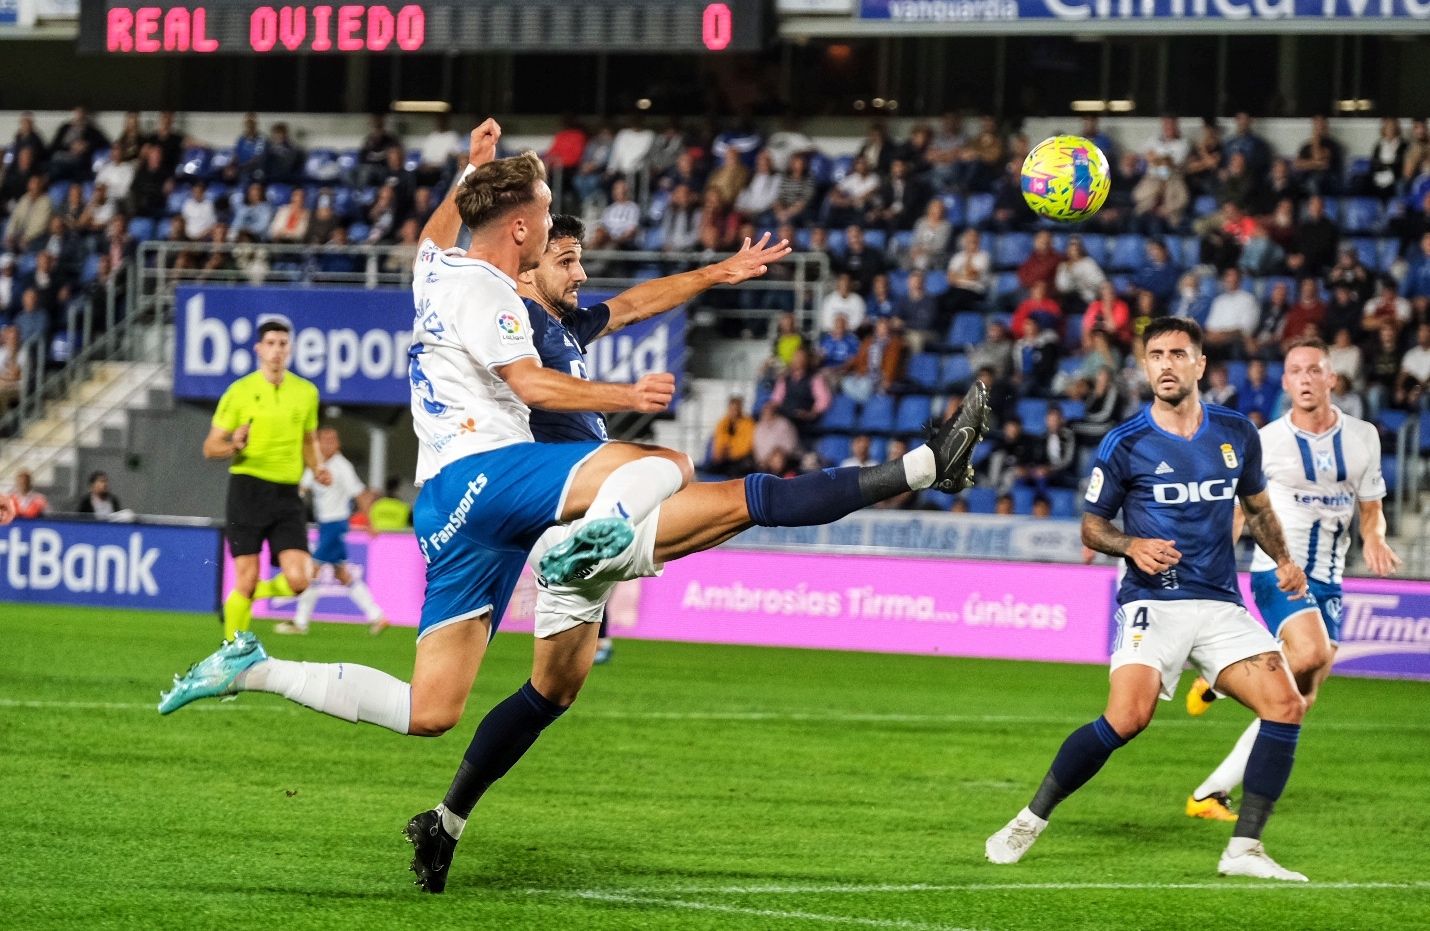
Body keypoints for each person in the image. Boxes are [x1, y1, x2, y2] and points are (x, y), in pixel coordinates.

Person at [158, 119, 696, 883]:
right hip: (491, 476)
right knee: (660, 462)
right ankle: (605, 534)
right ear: (520, 223)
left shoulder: (435, 271)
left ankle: (254, 666)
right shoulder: (488, 292)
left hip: (447, 500)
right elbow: (533, 385)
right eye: (546, 209)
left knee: (431, 710)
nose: (552, 221)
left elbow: (436, 234)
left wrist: (467, 171)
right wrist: (626, 393)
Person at [422, 209, 989, 895]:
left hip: (590, 520)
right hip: (568, 517)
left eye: (578, 258)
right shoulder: (508, 314)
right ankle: (927, 465)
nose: (580, 271)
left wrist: (720, 271)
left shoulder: (565, 326)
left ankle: (444, 821)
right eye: (566, 258)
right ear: (528, 262)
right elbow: (472, 282)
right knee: (749, 497)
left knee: (550, 692)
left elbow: (634, 303)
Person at [985, 316, 1312, 882]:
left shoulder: (1236, 431)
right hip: (1151, 603)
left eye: (1178, 354)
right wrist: (1131, 544)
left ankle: (1244, 850)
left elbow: (1257, 508)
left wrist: (1284, 559)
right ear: (1144, 365)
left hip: (1218, 603)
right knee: (1126, 718)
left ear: (1200, 365)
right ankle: (1029, 819)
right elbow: (1092, 527)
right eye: (1156, 354)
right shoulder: (1125, 442)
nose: (1166, 363)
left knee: (1286, 706)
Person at [1181, 337, 1400, 822]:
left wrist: (1377, 539)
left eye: (1314, 369)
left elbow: (1371, 512)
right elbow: (1243, 511)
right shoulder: (1267, 441)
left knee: (1296, 701)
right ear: (1285, 382)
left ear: (1331, 379)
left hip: (1331, 580)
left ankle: (1209, 793)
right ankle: (1223, 674)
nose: (1305, 378)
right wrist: (1213, 562)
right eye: (1296, 370)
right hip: (1279, 571)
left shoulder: (1363, 436)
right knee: (1311, 653)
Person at [200, 317, 327, 641]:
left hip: (287, 494)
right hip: (248, 488)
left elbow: (308, 440)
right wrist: (233, 445)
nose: (276, 351)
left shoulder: (306, 392)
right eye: (270, 344)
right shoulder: (240, 391)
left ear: (290, 349)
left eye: (282, 344)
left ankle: (248, 596)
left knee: (300, 580)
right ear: (258, 349)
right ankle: (230, 654)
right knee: (246, 576)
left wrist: (317, 466)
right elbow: (210, 447)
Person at [279, 426, 387, 636]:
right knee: (342, 574)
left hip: (335, 525)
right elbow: (302, 489)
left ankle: (300, 623)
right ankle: (377, 616)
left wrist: (370, 523)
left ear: (338, 444)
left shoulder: (342, 467)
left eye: (332, 440)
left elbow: (360, 494)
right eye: (323, 440)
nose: (328, 444)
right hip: (325, 525)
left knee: (312, 572)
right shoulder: (316, 464)